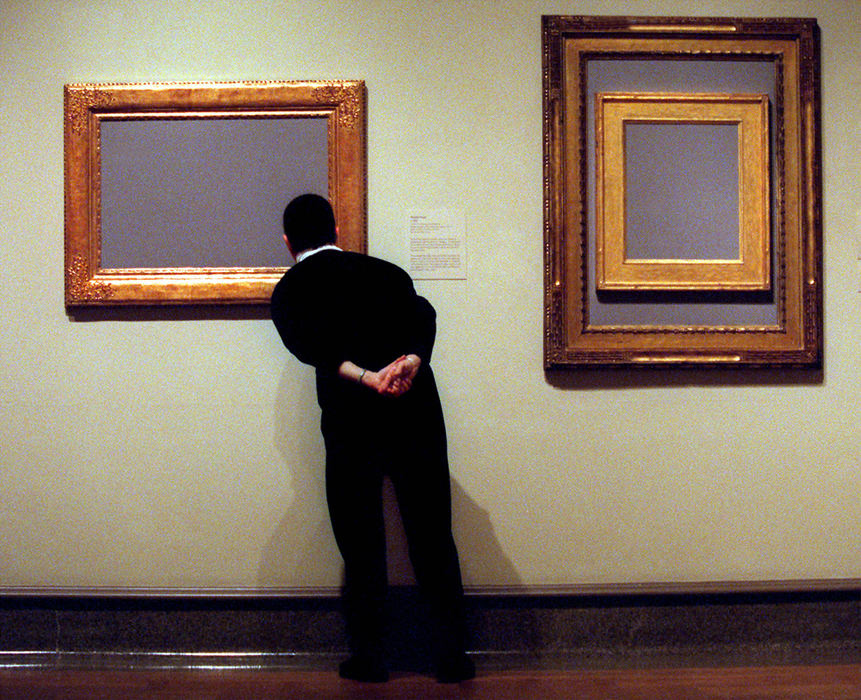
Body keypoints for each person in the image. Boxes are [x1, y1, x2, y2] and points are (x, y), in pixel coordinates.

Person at [271, 194, 474, 684]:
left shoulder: (289, 290)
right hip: (414, 408)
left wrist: (366, 377)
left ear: (287, 241)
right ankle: (450, 656)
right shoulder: (387, 273)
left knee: (360, 539)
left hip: (350, 420)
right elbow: (422, 316)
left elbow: (314, 349)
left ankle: (370, 657)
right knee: (430, 531)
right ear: (336, 232)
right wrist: (412, 360)